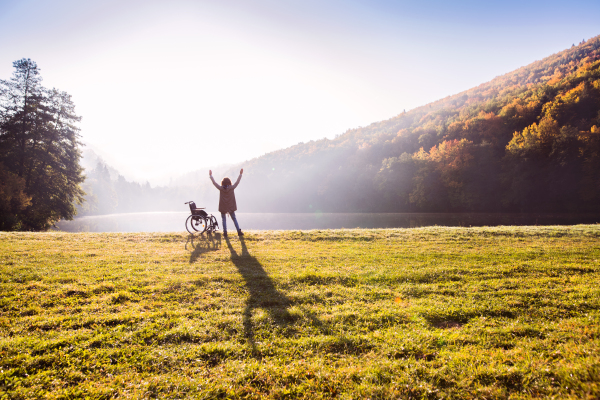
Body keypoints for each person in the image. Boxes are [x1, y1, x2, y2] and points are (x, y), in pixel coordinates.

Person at [209, 168, 244, 238]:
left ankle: (225, 233)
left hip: (223, 207)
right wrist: (240, 174)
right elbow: (237, 182)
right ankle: (239, 231)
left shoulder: (221, 188)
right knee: (234, 219)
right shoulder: (232, 187)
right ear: (229, 182)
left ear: (223, 182)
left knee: (223, 219)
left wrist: (211, 176)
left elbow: (214, 183)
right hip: (231, 207)